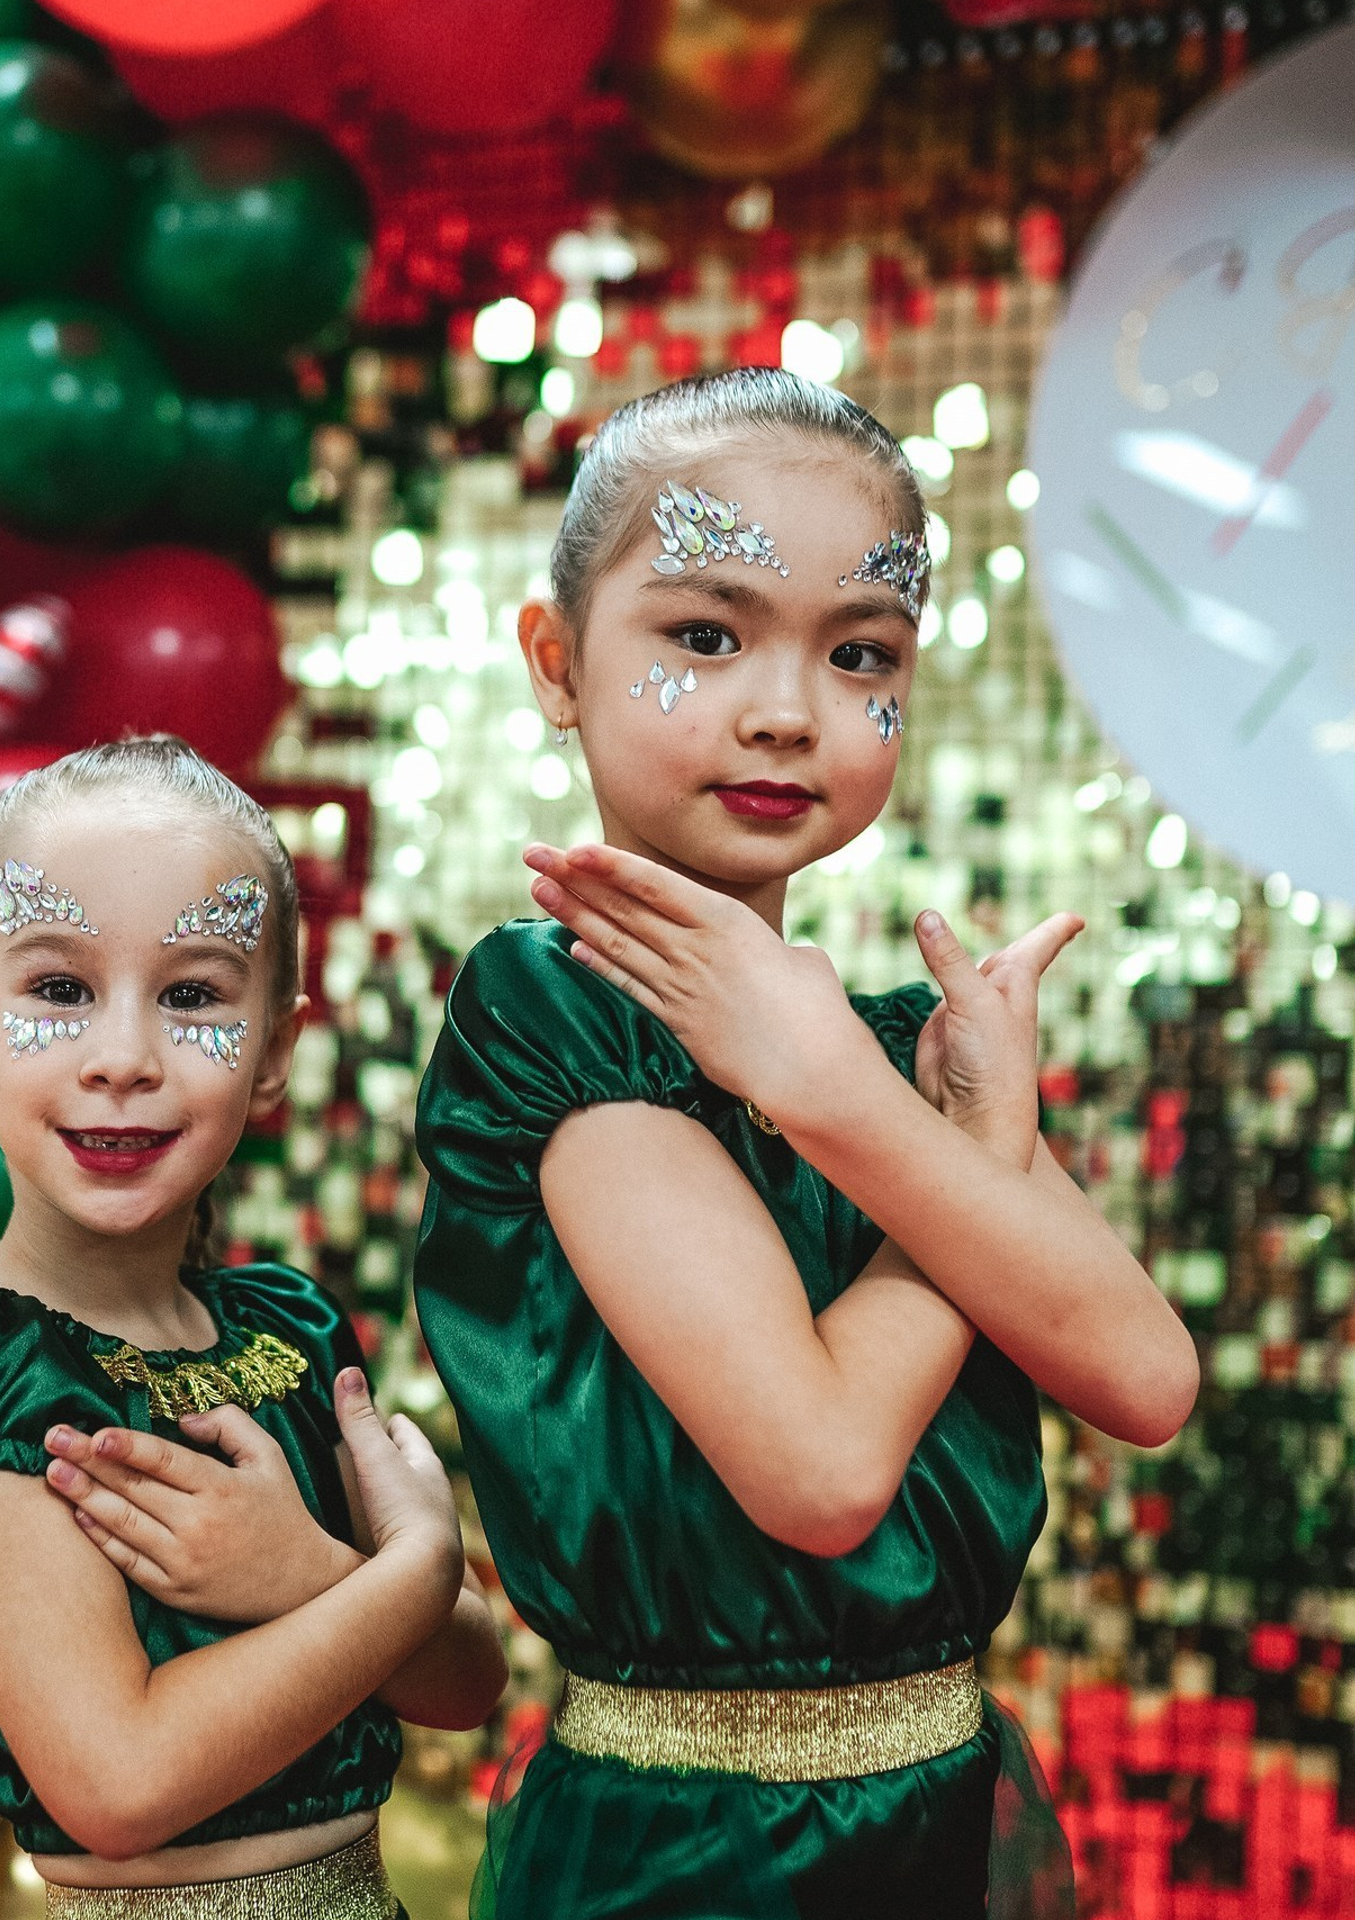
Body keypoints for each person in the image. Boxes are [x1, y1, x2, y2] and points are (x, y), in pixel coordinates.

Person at [411, 369, 1200, 1919]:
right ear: (558, 663)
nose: (788, 709)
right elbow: (822, 1472)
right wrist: (920, 1132)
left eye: (860, 656)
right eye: (704, 636)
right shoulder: (552, 1013)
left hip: (946, 1817)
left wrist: (874, 1090)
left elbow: (1146, 1379)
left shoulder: (899, 1040)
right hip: (686, 1856)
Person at [0, 737, 507, 1919]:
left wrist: (303, 1573)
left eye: (194, 996)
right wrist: (408, 1569)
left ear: (274, 1048)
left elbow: (463, 1682)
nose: (125, 1058)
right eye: (58, 991)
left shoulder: (292, 1331)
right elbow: (119, 1783)